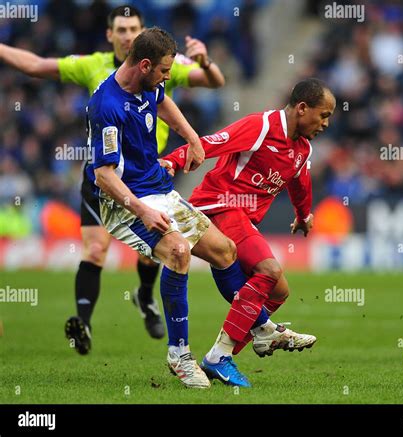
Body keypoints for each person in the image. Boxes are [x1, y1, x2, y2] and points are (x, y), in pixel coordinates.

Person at [0, 5, 226, 353]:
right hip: (106, 179)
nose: (127, 34)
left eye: (133, 27)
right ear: (110, 35)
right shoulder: (94, 69)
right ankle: (84, 325)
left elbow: (211, 83)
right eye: (120, 29)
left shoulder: (160, 67)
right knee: (96, 249)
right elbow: (34, 65)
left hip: (150, 177)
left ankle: (145, 296)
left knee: (161, 252)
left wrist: (205, 64)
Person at [161, 78, 335, 383]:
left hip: (242, 220)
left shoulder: (302, 149)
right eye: (324, 115)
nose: (326, 123)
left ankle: (220, 353)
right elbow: (214, 142)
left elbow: (299, 183)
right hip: (219, 206)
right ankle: (248, 341)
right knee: (268, 270)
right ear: (303, 108)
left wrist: (303, 215)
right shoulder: (262, 126)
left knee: (280, 291)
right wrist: (173, 161)